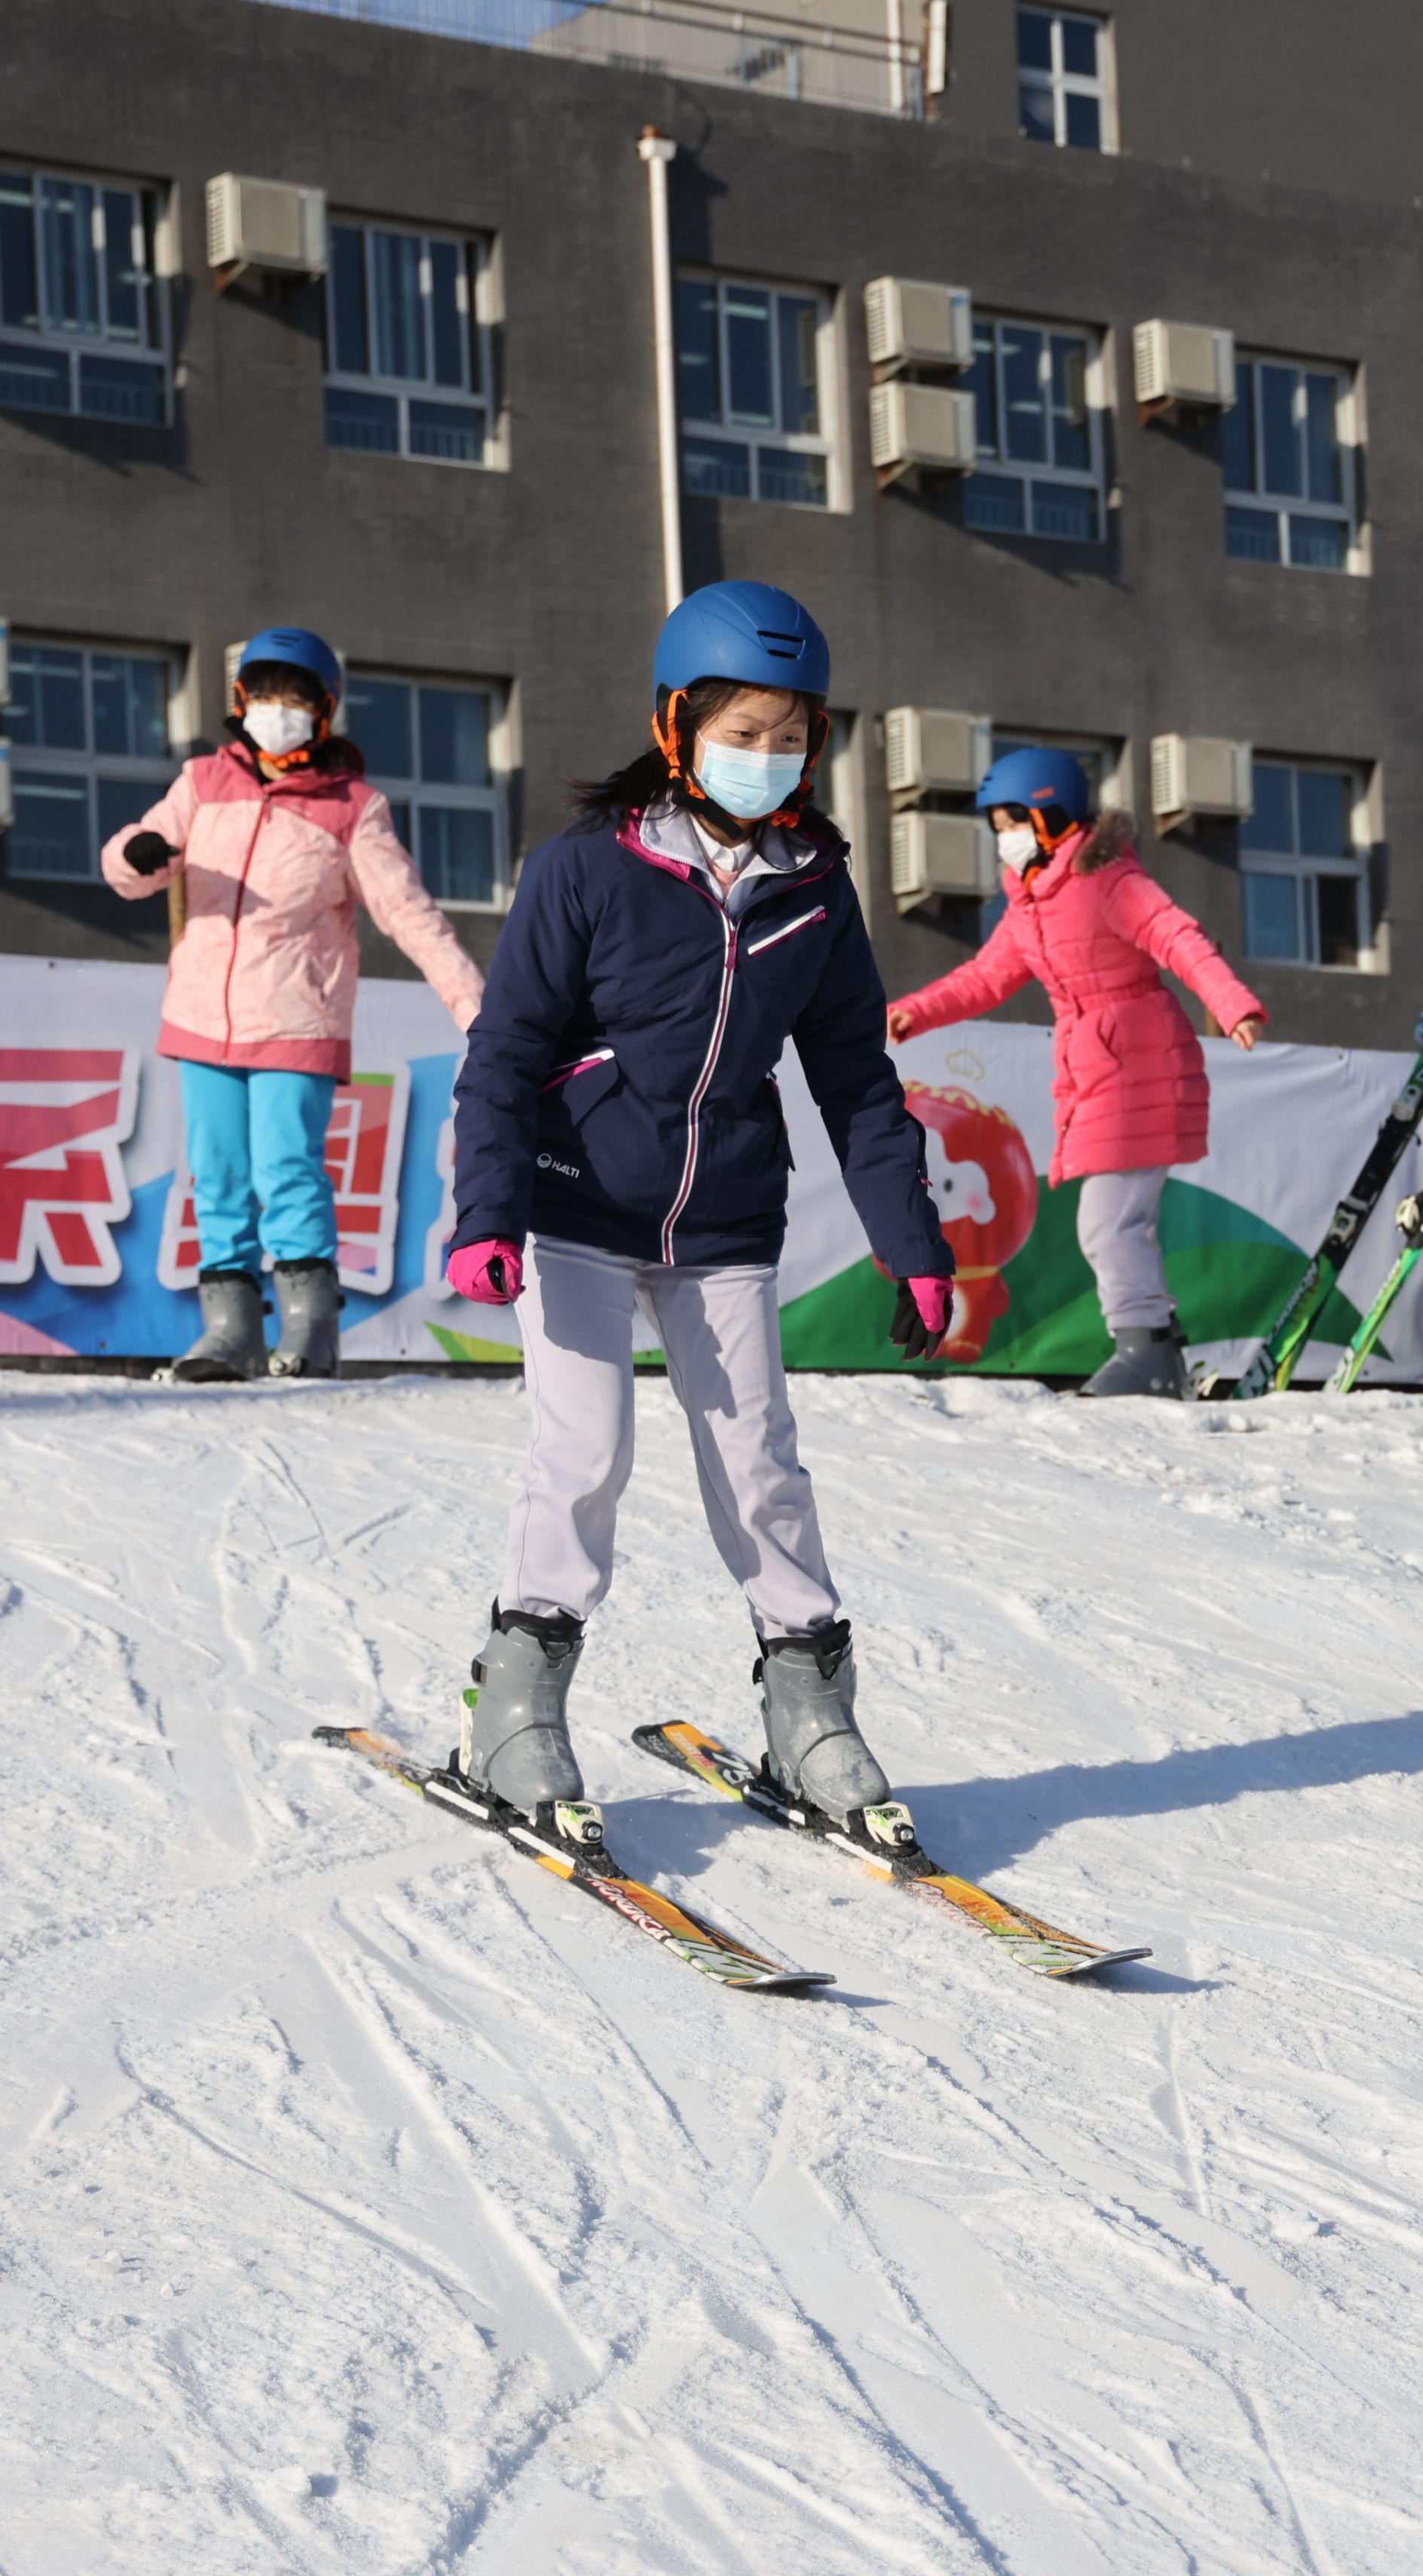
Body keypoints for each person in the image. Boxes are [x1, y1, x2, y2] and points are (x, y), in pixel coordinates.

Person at [437, 581, 954, 1838]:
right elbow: (506, 1050)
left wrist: (913, 1244)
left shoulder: (816, 889)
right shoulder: (584, 870)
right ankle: (513, 1713)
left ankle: (809, 1716)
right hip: (573, 1205)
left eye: (789, 737)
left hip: (723, 1218)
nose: (764, 760)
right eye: (741, 732)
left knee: (761, 1465)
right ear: (677, 728)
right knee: (585, 1453)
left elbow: (855, 1081)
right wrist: (485, 1210)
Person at [109, 627, 488, 1381]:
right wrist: (136, 855)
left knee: (287, 1166)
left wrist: (479, 1009)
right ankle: (229, 1334)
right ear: (241, 701)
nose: (279, 712)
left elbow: (409, 915)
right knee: (215, 1171)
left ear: (325, 712)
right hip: (202, 1020)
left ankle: (311, 1327)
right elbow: (133, 860)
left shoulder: (354, 808)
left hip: (296, 1019)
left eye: (297, 698)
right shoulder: (203, 783)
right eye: (267, 696)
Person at [884, 748, 1270, 1398]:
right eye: (997, 825)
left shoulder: (1111, 880)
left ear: (1051, 816)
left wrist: (1232, 1003)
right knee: (1113, 1222)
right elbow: (988, 976)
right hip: (1095, 1072)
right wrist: (911, 1014)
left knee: (1108, 1222)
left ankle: (1146, 1351)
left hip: (1142, 1064)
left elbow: (1179, 937)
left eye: (1012, 820)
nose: (1002, 837)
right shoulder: (1033, 902)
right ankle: (1155, 1351)